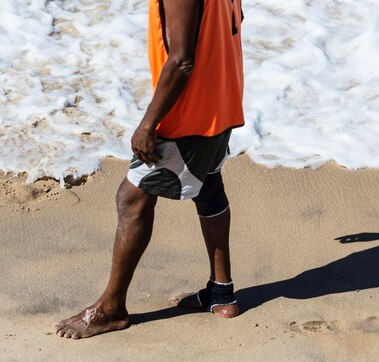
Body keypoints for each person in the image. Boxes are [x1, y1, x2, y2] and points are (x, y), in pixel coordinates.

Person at [55, 0, 245, 339]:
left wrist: (149, 123)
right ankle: (221, 293)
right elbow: (234, 19)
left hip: (191, 115)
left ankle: (111, 309)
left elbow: (182, 59)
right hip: (223, 99)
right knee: (209, 185)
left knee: (132, 199)